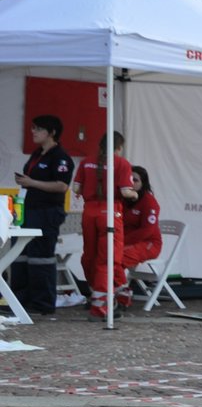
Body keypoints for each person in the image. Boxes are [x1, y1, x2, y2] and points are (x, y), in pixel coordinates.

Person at [9, 114, 74, 317]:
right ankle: (20, 300)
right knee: (20, 254)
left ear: (52, 132)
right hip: (27, 209)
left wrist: (32, 183)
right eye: (33, 128)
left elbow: (62, 185)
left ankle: (42, 303)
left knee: (41, 257)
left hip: (46, 212)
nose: (33, 132)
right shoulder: (37, 154)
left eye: (38, 129)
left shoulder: (60, 157)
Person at [72, 132, 137, 320]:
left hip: (89, 212)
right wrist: (135, 195)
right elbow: (126, 191)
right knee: (108, 260)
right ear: (119, 147)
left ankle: (115, 294)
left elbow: (76, 189)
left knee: (90, 257)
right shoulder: (122, 163)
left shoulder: (86, 162)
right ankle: (101, 305)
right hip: (110, 212)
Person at [119, 165, 163, 308]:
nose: (131, 183)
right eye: (129, 179)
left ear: (143, 183)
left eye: (135, 180)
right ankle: (108, 292)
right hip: (127, 241)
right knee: (103, 255)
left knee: (118, 258)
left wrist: (121, 242)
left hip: (149, 243)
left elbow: (147, 231)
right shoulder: (124, 199)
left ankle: (121, 294)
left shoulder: (149, 202)